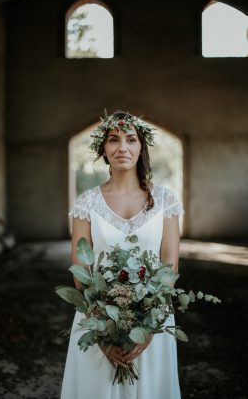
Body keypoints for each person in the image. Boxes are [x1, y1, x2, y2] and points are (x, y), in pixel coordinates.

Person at [61, 111, 184, 399]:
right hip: (97, 316)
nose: (122, 148)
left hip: (153, 318)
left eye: (131, 140)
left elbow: (170, 265)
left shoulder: (166, 200)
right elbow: (81, 268)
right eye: (113, 140)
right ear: (103, 149)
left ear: (142, 147)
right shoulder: (87, 203)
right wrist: (103, 333)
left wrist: (150, 329)